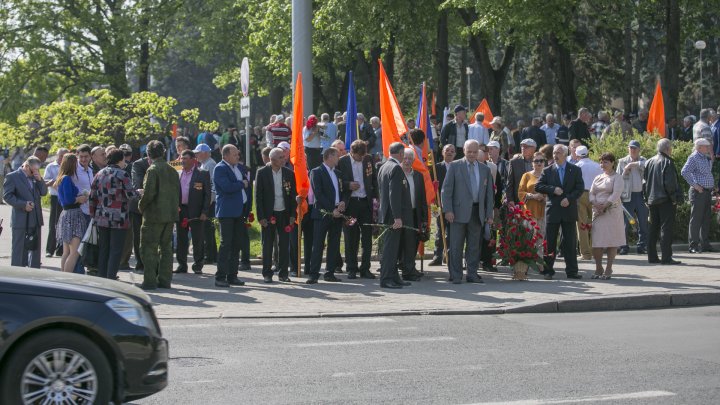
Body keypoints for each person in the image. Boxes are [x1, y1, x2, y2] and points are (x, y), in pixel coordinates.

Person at [441, 140, 494, 284]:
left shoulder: (485, 169)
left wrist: (489, 214)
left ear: (479, 152)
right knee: (456, 246)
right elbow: (446, 191)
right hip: (457, 213)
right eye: (469, 151)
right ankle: (456, 275)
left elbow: (489, 194)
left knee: (474, 246)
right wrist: (448, 210)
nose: (472, 154)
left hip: (477, 213)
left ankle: (472, 274)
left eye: (475, 152)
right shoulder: (454, 166)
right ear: (463, 150)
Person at [90, 149, 140, 280]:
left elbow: (92, 196)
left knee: (104, 249)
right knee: (116, 249)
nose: (125, 162)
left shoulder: (99, 174)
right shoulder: (123, 175)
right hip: (119, 218)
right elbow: (131, 195)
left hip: (101, 217)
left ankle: (102, 275)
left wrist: (93, 215)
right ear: (120, 159)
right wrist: (139, 192)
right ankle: (111, 277)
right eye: (124, 159)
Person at [536, 144, 585, 280]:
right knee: (550, 242)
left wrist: (569, 199)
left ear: (565, 154)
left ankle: (572, 271)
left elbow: (579, 188)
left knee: (570, 242)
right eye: (554, 153)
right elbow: (538, 186)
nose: (555, 156)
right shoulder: (548, 170)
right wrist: (552, 189)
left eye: (558, 153)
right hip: (553, 210)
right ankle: (548, 270)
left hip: (568, 210)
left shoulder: (574, 170)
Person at [139, 140, 181, 290]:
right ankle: (165, 279)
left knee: (148, 248)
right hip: (170, 215)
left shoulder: (152, 170)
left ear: (148, 154)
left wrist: (141, 206)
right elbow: (178, 193)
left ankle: (149, 281)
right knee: (166, 249)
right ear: (163, 152)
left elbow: (149, 194)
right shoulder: (172, 170)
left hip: (154, 215)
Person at [338, 140, 377, 279]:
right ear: (352, 153)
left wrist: (376, 198)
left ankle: (365, 268)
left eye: (363, 156)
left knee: (367, 237)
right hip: (351, 204)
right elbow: (338, 181)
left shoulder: (368, 159)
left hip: (365, 204)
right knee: (351, 237)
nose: (361, 159)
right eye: (359, 156)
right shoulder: (342, 162)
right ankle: (351, 268)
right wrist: (348, 185)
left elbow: (374, 179)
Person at [256, 147, 296, 283]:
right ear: (272, 160)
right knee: (267, 244)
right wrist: (261, 217)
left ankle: (283, 273)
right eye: (281, 157)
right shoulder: (262, 173)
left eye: (284, 157)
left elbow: (292, 196)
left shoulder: (289, 173)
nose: (284, 159)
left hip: (284, 214)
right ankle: (267, 273)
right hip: (268, 214)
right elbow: (258, 197)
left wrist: (292, 215)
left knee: (284, 244)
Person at [213, 144, 251, 287]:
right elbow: (227, 187)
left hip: (239, 211)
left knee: (236, 244)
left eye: (237, 154)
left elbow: (246, 185)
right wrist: (242, 184)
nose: (237, 156)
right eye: (234, 154)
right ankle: (220, 276)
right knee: (226, 244)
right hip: (227, 211)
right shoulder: (220, 168)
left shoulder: (238, 168)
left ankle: (232, 275)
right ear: (226, 155)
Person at [377, 142, 412, 288]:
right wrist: (397, 216)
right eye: (403, 153)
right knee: (390, 249)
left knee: (394, 247)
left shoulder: (384, 166)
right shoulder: (396, 168)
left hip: (386, 213)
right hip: (393, 215)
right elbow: (394, 194)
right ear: (400, 154)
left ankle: (394, 276)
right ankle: (386, 279)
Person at [307, 147, 344, 284]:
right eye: (336, 156)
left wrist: (342, 203)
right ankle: (314, 274)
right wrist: (330, 209)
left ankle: (329, 272)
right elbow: (318, 193)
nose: (338, 158)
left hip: (337, 213)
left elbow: (342, 190)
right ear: (329, 156)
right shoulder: (316, 172)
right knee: (318, 244)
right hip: (322, 213)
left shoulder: (338, 173)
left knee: (334, 244)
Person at [643, 138, 683, 265]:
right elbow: (669, 183)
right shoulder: (667, 162)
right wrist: (674, 199)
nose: (671, 150)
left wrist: (646, 198)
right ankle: (666, 257)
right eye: (670, 148)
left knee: (653, 228)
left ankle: (652, 256)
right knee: (666, 228)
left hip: (652, 199)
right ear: (667, 149)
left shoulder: (649, 162)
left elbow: (644, 183)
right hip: (665, 200)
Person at [4, 156, 47, 268]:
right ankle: (17, 276)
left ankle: (34, 273)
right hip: (21, 218)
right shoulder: (12, 176)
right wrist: (23, 205)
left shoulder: (35, 176)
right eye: (33, 170)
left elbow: (43, 192)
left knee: (35, 249)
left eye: (37, 170)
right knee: (19, 250)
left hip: (35, 217)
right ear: (26, 166)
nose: (35, 172)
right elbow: (7, 196)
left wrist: (39, 180)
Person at [174, 150, 211, 274]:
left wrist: (205, 211)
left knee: (197, 239)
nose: (182, 161)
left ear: (192, 160)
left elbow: (207, 194)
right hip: (181, 210)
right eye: (181, 158)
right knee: (181, 239)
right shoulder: (177, 173)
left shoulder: (202, 173)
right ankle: (182, 265)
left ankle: (198, 264)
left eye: (185, 158)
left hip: (196, 210)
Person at [589, 153, 625, 279]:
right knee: (596, 241)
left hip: (611, 212)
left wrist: (605, 205)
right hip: (598, 212)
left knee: (611, 241)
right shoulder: (598, 177)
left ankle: (609, 268)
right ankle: (598, 267)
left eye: (606, 162)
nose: (602, 165)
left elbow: (616, 194)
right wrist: (595, 203)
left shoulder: (617, 177)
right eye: (601, 162)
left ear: (612, 163)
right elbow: (591, 193)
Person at [397, 147, 429, 281]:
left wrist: (424, 218)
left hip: (415, 213)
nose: (407, 161)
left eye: (410, 158)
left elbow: (422, 198)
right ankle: (405, 268)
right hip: (401, 214)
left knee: (413, 242)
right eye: (405, 158)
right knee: (402, 243)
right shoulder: (396, 173)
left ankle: (409, 267)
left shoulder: (418, 176)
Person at [681, 138, 715, 253]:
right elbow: (684, 172)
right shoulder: (694, 157)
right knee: (696, 220)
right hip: (698, 192)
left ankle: (704, 243)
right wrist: (695, 185)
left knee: (705, 219)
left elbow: (706, 173)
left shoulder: (705, 157)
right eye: (706, 146)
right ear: (699, 147)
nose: (708, 148)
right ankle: (693, 245)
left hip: (706, 192)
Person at [54, 154, 86, 272]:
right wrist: (79, 199)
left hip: (66, 214)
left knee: (66, 252)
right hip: (73, 216)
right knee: (74, 252)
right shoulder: (67, 178)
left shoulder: (61, 178)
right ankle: (67, 278)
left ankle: (63, 277)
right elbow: (68, 200)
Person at [517, 152, 548, 270]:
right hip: (529, 211)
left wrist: (544, 197)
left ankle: (540, 263)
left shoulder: (548, 175)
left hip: (543, 210)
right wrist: (533, 196)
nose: (539, 163)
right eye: (536, 161)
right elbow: (520, 193)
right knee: (529, 238)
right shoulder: (526, 175)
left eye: (541, 161)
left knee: (541, 237)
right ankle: (526, 264)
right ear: (532, 163)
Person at [617, 140, 648, 255]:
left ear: (639, 150)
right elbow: (617, 179)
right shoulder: (622, 161)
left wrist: (632, 164)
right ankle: (624, 247)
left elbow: (646, 165)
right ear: (628, 149)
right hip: (627, 196)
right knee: (625, 223)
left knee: (643, 222)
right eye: (631, 148)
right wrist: (625, 170)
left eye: (635, 148)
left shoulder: (643, 160)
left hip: (641, 195)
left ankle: (642, 246)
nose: (633, 150)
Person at [574, 145, 603, 260]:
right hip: (595, 194)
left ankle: (585, 253)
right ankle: (595, 251)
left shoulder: (576, 166)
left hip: (580, 194)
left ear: (577, 155)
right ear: (588, 153)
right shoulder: (597, 166)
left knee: (581, 224)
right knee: (595, 224)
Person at [429, 144, 456, 266]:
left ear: (455, 154)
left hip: (454, 205)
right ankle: (437, 256)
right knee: (440, 231)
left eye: (452, 151)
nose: (449, 153)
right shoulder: (436, 168)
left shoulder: (458, 167)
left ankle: (449, 255)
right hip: (439, 203)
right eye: (447, 150)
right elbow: (430, 186)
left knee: (452, 232)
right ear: (443, 152)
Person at [194, 144, 218, 264]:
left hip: (210, 202)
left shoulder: (210, 164)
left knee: (208, 230)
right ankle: (211, 255)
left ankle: (210, 256)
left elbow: (213, 185)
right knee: (206, 230)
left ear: (205, 153)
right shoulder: (204, 164)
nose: (196, 155)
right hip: (206, 201)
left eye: (198, 153)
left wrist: (208, 202)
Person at [43, 148, 68, 257]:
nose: (62, 158)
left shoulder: (69, 166)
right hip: (55, 197)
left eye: (64, 156)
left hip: (66, 198)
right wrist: (53, 182)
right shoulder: (51, 166)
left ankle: (61, 249)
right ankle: (50, 249)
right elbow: (44, 181)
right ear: (57, 155)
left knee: (65, 224)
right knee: (53, 223)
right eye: (61, 155)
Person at [130, 152, 151, 272]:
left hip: (153, 206)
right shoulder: (138, 164)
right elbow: (137, 185)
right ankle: (140, 262)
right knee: (138, 235)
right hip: (138, 205)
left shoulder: (162, 164)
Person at [506, 138, 537, 206]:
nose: (523, 148)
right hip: (519, 200)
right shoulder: (514, 162)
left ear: (534, 149)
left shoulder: (540, 161)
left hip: (536, 200)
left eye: (526, 147)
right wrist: (510, 199)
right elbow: (510, 182)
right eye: (522, 146)